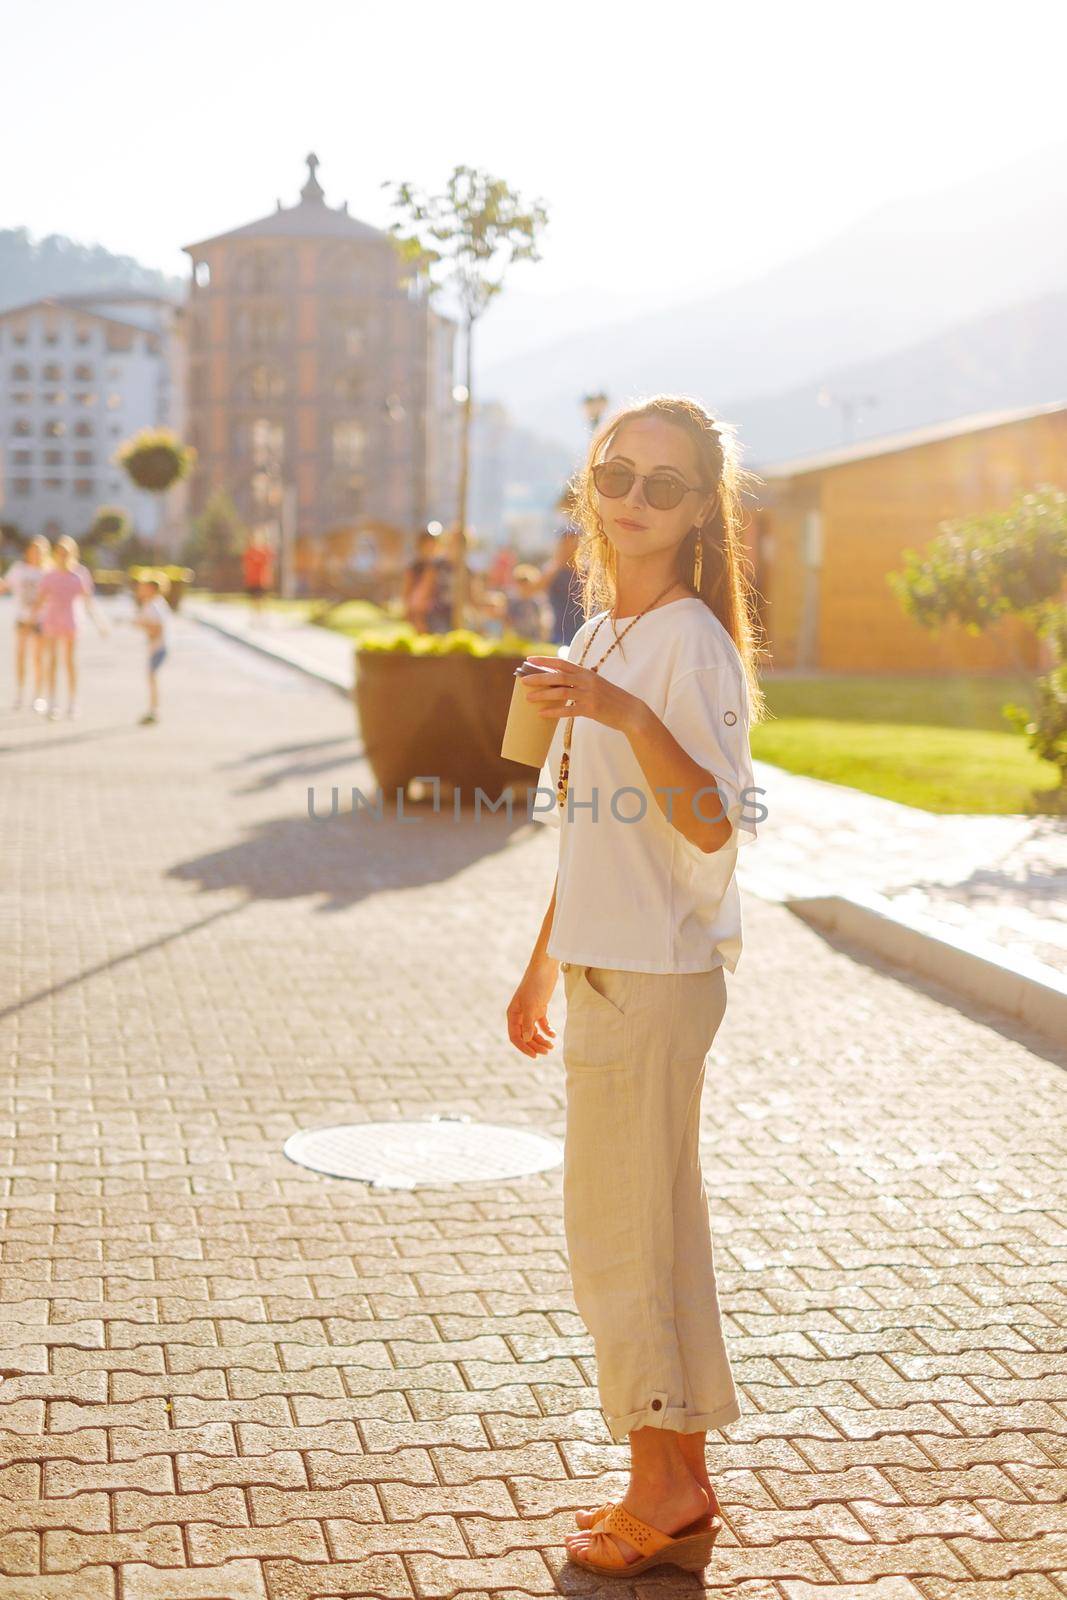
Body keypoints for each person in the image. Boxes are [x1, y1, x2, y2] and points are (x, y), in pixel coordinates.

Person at [506, 395, 767, 1579]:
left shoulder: (685, 641)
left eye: (666, 483)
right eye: (618, 471)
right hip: (610, 967)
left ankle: (655, 1486)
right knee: (652, 1235)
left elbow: (712, 819)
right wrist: (539, 961)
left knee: (619, 1239)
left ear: (700, 505)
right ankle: (682, 1477)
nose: (634, 497)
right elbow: (593, 827)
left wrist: (616, 710)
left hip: (656, 975)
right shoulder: (606, 626)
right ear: (589, 480)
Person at [31, 536, 108, 720]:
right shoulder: (49, 575)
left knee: (70, 662)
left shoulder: (79, 574)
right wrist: (31, 620)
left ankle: (73, 702)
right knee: (52, 662)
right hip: (52, 620)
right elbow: (39, 601)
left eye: (66, 553)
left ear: (72, 554)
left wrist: (100, 623)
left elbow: (88, 601)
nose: (63, 556)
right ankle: (53, 701)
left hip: (71, 620)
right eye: (60, 553)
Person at [0, 536, 50, 709]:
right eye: (33, 549)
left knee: (38, 658)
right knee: (20, 657)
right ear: (27, 551)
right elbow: (4, 586)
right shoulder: (19, 569)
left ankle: (38, 695)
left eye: (39, 550)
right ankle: (20, 694)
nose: (36, 553)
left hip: (40, 621)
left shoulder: (47, 572)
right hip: (22, 619)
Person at [133, 576, 171, 725]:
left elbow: (157, 629)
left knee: (152, 678)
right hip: (156, 646)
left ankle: (154, 710)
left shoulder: (153, 606)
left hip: (158, 647)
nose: (139, 591)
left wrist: (141, 624)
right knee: (151, 678)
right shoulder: (153, 604)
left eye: (143, 588)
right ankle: (153, 709)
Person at [544, 525, 583, 646]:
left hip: (581, 629)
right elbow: (535, 589)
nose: (570, 547)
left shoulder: (585, 570)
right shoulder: (553, 568)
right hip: (558, 630)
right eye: (566, 543)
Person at [401, 531, 443, 634]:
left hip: (438, 613)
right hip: (421, 613)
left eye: (432, 546)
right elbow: (408, 591)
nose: (430, 549)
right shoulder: (415, 567)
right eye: (427, 546)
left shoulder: (441, 566)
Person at [503, 564, 550, 639]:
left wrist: (543, 634)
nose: (524, 587)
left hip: (533, 637)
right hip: (516, 637)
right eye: (520, 583)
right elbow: (507, 619)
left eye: (526, 583)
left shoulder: (537, 601)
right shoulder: (512, 600)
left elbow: (542, 620)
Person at [242, 535, 274, 621]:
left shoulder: (264, 551)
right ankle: (255, 617)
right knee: (253, 600)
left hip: (262, 580)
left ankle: (263, 617)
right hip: (252, 580)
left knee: (263, 599)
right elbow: (246, 564)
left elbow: (269, 558)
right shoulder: (249, 552)